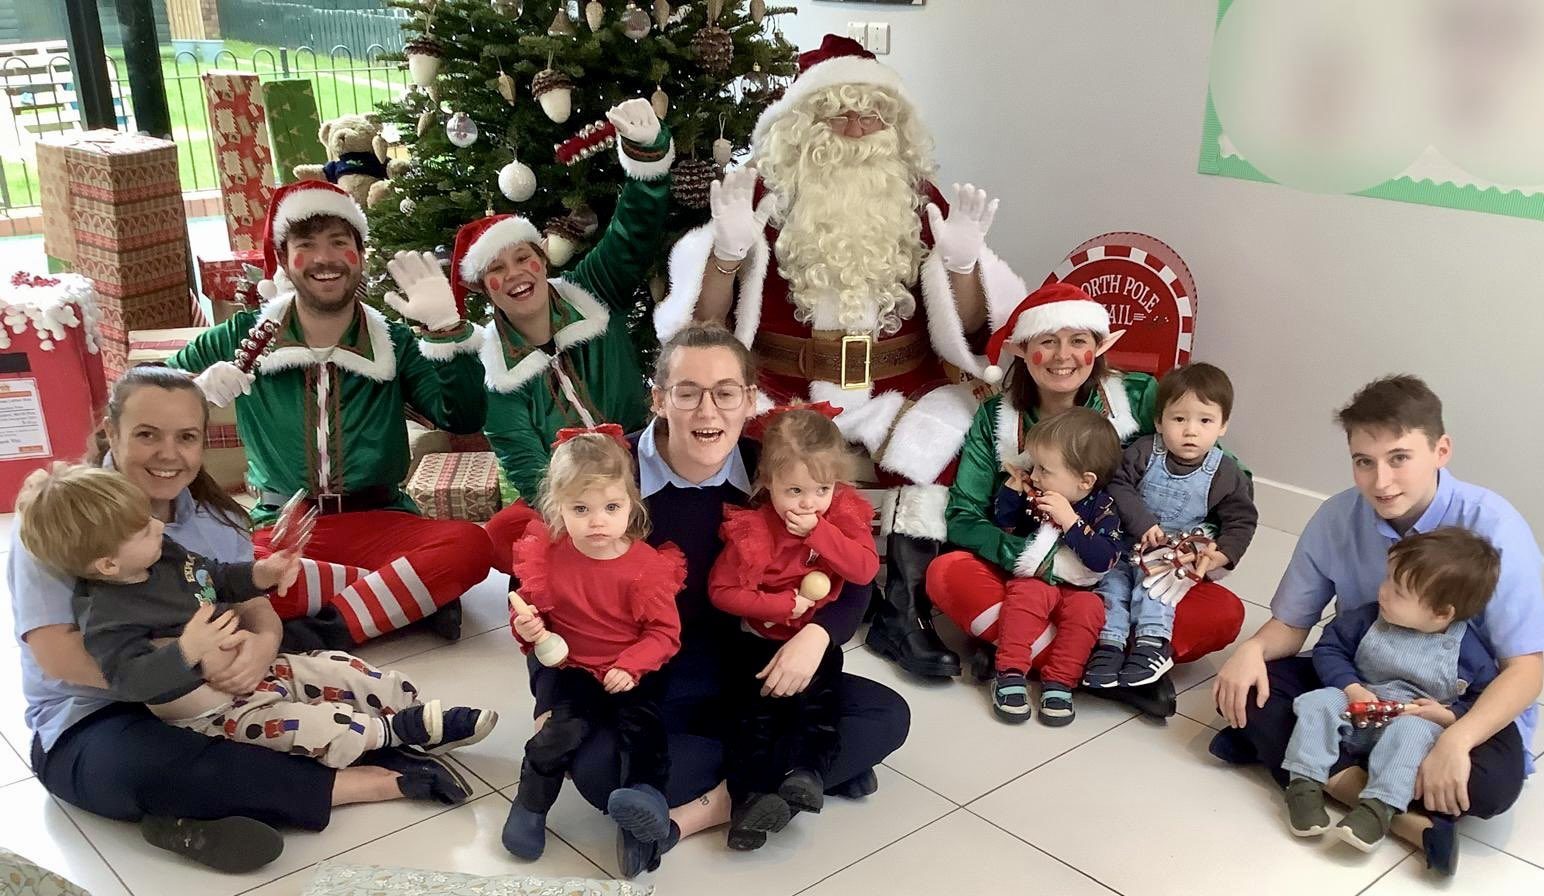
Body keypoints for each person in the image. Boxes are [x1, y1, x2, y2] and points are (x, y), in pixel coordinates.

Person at [656, 34, 1031, 680]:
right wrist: (725, 253)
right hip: (784, 386)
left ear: (897, 127)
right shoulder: (764, 202)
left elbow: (973, 327)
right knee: (739, 448)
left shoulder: (923, 206)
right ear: (803, 123)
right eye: (841, 111)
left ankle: (901, 610)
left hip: (898, 388)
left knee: (944, 440)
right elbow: (702, 324)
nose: (858, 127)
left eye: (874, 112)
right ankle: (756, 600)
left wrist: (964, 264)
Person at [8, 367, 471, 875]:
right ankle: (368, 782)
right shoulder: (62, 520)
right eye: (146, 435)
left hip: (217, 693)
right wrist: (181, 672)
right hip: (97, 714)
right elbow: (56, 655)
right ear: (110, 434)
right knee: (145, 765)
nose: (168, 454)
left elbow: (257, 609)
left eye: (186, 437)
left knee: (313, 689)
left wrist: (260, 649)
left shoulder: (217, 518)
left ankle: (201, 811)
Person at [520, 322, 910, 877]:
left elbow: (853, 572)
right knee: (597, 769)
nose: (709, 411)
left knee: (886, 714)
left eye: (726, 392)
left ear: (749, 400)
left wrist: (817, 637)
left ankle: (691, 813)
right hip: (640, 672)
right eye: (688, 392)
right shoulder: (604, 476)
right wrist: (549, 699)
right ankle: (800, 773)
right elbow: (538, 599)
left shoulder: (782, 470)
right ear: (659, 399)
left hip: (751, 663)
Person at [1210, 375, 1544, 876]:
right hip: (1360, 686)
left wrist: (1455, 739)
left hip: (1446, 707)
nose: (1380, 481)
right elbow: (1292, 624)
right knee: (1251, 690)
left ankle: (1307, 765)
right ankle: (1402, 816)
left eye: (1399, 458)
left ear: (1441, 450)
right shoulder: (1336, 516)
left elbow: (1526, 668)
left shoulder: (1495, 527)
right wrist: (1251, 651)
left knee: (1494, 787)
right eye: (1364, 461)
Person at [169, 180, 494, 644]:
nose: (324, 258)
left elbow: (463, 418)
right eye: (307, 245)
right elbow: (142, 393)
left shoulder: (395, 342)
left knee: (470, 546)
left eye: (339, 243)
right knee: (206, 582)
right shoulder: (242, 336)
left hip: (385, 522)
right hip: (283, 528)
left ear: (359, 255)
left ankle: (324, 629)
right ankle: (402, 600)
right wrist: (194, 391)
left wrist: (447, 333)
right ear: (284, 259)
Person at [18, 463, 498, 769]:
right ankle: (397, 734)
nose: (160, 525)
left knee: (340, 668)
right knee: (309, 726)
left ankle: (404, 705)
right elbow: (130, 680)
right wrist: (188, 651)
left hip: (256, 664)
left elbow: (219, 576)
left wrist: (262, 575)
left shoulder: (162, 555)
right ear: (107, 565)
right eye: (143, 529)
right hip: (212, 711)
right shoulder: (106, 615)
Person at [929, 284, 1247, 715]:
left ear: (1098, 346)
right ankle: (1107, 670)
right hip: (1029, 572)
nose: (1063, 356)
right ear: (1023, 349)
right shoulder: (998, 418)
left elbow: (1226, 471)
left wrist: (1202, 537)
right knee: (948, 573)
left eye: (1078, 340)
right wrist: (1036, 557)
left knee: (1224, 612)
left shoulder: (1138, 395)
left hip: (1130, 564)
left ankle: (1024, 653)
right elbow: (964, 515)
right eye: (1048, 341)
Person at [455, 97, 674, 522]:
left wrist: (646, 153)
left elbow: (632, 234)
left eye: (523, 257)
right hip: (570, 503)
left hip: (647, 472)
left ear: (542, 258)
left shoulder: (589, 290)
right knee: (505, 539)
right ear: (485, 288)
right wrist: (588, 520)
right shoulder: (496, 369)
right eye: (497, 268)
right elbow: (527, 467)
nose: (517, 274)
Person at [499, 428, 686, 868]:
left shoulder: (644, 568)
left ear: (631, 506)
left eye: (611, 508)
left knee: (643, 731)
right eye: (580, 509)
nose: (597, 521)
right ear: (558, 508)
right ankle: (530, 804)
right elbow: (534, 619)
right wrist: (526, 625)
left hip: (634, 671)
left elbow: (665, 634)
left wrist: (632, 664)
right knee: (558, 734)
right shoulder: (551, 556)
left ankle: (643, 805)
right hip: (576, 668)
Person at [708, 406, 880, 847]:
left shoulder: (839, 519)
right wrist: (779, 604)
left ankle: (805, 776)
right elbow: (721, 592)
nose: (808, 503)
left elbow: (863, 570)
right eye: (795, 490)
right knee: (754, 722)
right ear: (767, 482)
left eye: (821, 489)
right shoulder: (754, 526)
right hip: (757, 643)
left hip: (814, 645)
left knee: (817, 710)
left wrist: (820, 533)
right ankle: (747, 805)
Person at [1282, 529, 1499, 862]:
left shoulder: (1469, 652)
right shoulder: (1368, 618)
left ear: (1441, 613)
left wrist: (1448, 715)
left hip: (1410, 724)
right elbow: (1329, 649)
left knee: (1412, 732)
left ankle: (1377, 809)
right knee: (1316, 702)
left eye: (1397, 592)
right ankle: (1304, 785)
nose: (1382, 592)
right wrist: (1352, 687)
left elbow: (1485, 698)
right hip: (1357, 707)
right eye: (1387, 580)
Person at [1083, 362, 1258, 689]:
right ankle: (1108, 646)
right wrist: (1143, 521)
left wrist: (1224, 554)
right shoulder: (1144, 451)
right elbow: (1117, 484)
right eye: (1179, 419)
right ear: (1159, 421)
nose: (1191, 431)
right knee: (1113, 589)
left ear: (1222, 426)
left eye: (1205, 421)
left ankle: (1152, 644)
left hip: (1172, 557)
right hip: (1124, 546)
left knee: (1156, 594)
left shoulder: (1225, 473)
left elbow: (1242, 519)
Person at [980, 407, 1123, 725]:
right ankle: (1010, 672)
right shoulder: (1037, 495)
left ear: (1086, 481)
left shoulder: (1103, 507)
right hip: (1039, 579)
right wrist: (1011, 493)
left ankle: (1060, 682)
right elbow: (1006, 525)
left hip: (1080, 587)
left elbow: (1104, 558)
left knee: (1090, 612)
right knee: (1026, 597)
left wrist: (1070, 521)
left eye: (1045, 469)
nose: (1036, 475)